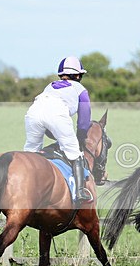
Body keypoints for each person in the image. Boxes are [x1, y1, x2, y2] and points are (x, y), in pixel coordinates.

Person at [24, 56, 93, 204]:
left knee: (30, 154)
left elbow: (46, 121)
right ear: (78, 75)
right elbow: (83, 122)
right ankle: (81, 192)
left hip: (33, 112)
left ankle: (24, 188)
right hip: (57, 113)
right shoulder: (81, 90)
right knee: (75, 153)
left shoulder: (50, 86)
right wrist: (80, 139)